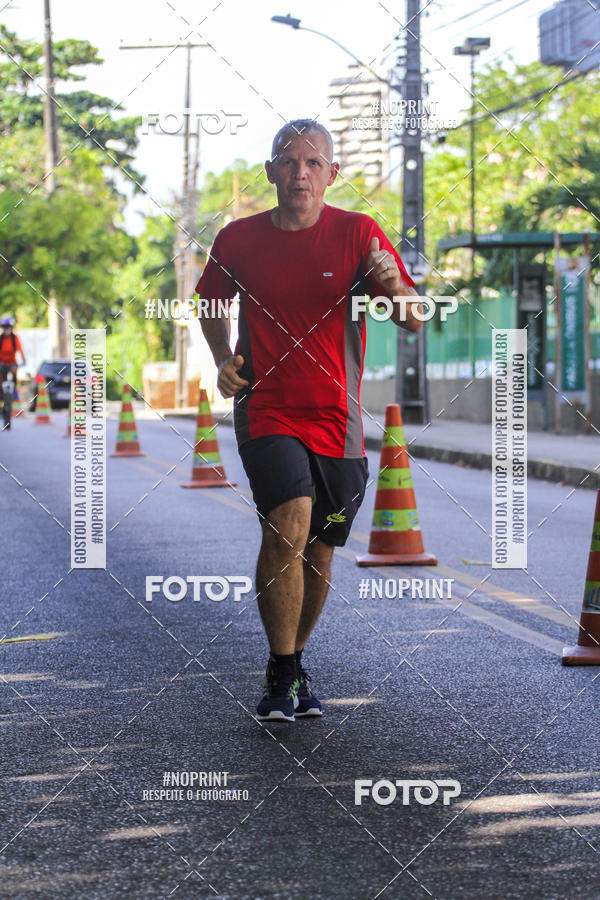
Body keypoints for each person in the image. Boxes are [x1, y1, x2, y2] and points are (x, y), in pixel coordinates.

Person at [197, 119, 422, 722]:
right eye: (289, 161)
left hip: (337, 416)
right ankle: (280, 667)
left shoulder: (358, 232)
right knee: (287, 523)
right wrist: (224, 358)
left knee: (321, 550)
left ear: (331, 174)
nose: (301, 172)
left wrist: (393, 284)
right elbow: (211, 301)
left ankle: (295, 660)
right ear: (270, 171)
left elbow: (413, 317)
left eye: (314, 162)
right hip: (267, 407)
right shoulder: (239, 238)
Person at [0, 317, 26, 429]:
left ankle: (12, 393)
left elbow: (20, 350)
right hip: (1, 364)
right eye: (5, 328)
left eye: (9, 328)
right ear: (3, 329)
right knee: (1, 384)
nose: (7, 330)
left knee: (13, 384)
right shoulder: (0, 339)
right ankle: (2, 396)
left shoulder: (14, 339)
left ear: (11, 329)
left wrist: (24, 360)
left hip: (12, 365)